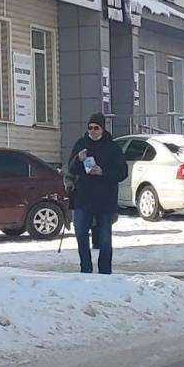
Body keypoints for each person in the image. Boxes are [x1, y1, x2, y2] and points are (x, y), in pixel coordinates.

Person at [65, 111, 128, 274]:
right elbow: (71, 169)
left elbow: (122, 172)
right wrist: (77, 160)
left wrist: (103, 172)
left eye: (96, 128)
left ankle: (105, 271)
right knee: (80, 233)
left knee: (105, 238)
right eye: (90, 128)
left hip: (105, 199)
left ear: (102, 129)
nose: (93, 131)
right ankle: (85, 268)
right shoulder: (81, 144)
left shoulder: (112, 147)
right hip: (83, 197)